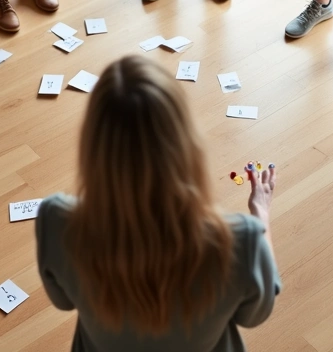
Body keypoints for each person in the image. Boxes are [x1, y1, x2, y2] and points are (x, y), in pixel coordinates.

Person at [35, 55, 281, 351]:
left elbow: (61, 301)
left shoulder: (55, 222)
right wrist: (261, 214)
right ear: (186, 144)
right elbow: (255, 315)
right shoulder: (243, 241)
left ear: (92, 145)